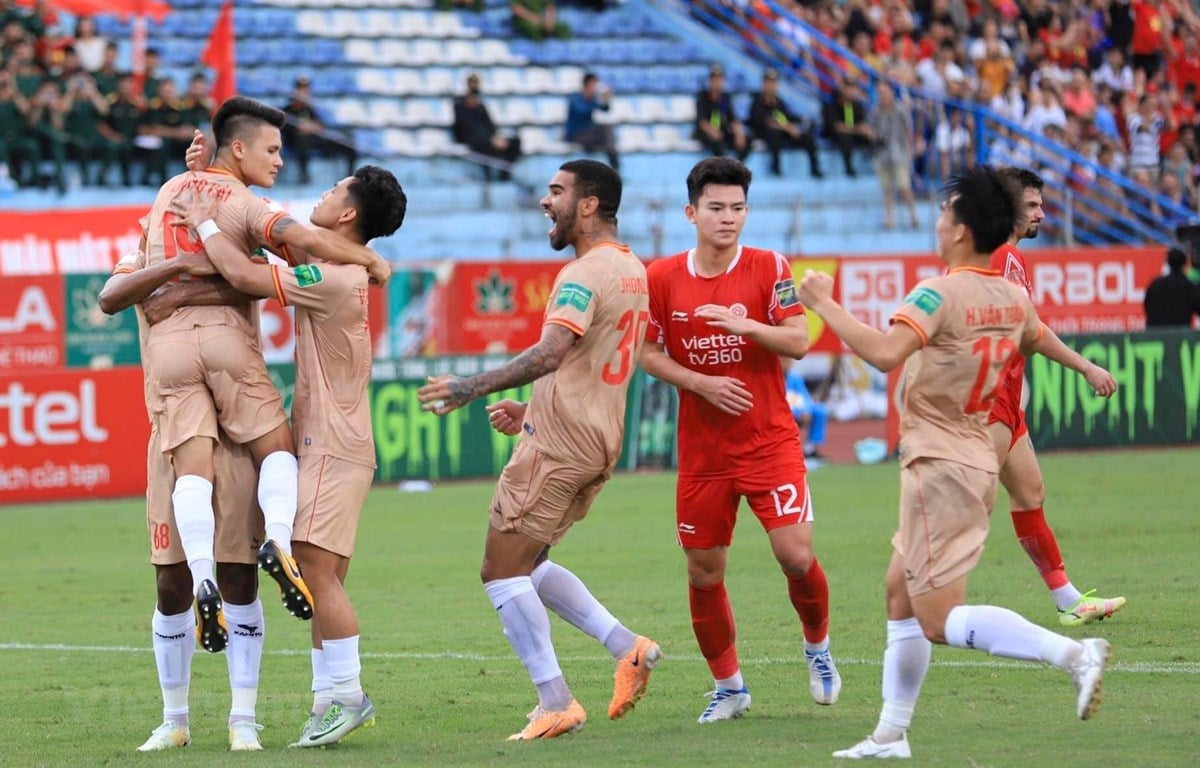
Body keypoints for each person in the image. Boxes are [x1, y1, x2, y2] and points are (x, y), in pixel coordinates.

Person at [795, 167, 1112, 760]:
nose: (937, 224)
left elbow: (887, 354)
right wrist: (1088, 367)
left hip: (939, 462)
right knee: (898, 593)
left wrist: (824, 306)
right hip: (969, 454)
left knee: (938, 618)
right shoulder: (1012, 296)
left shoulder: (938, 292)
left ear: (962, 231)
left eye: (945, 215)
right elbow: (1036, 336)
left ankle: (1072, 655)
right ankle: (891, 733)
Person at [416, 160, 662, 741]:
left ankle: (556, 701)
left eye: (556, 192)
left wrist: (467, 386)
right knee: (530, 563)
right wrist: (535, 409)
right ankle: (628, 648)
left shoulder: (582, 273)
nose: (544, 202)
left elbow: (552, 353)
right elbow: (593, 364)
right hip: (595, 441)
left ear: (588, 205)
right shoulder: (632, 268)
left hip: (559, 447)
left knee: (500, 571)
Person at [141, 98, 391, 656]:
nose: (282, 162)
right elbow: (271, 257)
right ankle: (327, 689)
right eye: (273, 149)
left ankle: (206, 575)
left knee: (195, 469)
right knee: (315, 557)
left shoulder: (170, 195)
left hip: (179, 354)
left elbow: (239, 273)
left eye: (334, 192)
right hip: (299, 408)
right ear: (239, 148)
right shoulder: (259, 212)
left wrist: (185, 259)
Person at [171, 164, 408, 748]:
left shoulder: (333, 277)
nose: (323, 195)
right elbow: (279, 235)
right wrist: (210, 173)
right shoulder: (340, 268)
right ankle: (327, 701)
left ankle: (349, 695)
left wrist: (203, 222)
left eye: (334, 191)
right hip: (338, 440)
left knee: (317, 573)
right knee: (322, 577)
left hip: (330, 442)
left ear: (348, 214)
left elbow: (238, 272)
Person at [639, 157, 840, 724]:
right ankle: (730, 688)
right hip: (703, 455)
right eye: (717, 208)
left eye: (738, 208)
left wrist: (748, 327)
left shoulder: (768, 265)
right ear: (692, 212)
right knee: (704, 573)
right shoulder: (661, 277)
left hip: (768, 441)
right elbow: (648, 354)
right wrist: (701, 381)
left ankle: (818, 648)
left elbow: (799, 341)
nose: (729, 218)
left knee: (795, 556)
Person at [98, 236, 270, 752]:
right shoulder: (146, 250)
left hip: (236, 427)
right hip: (171, 431)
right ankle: (175, 720)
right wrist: (175, 267)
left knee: (239, 575)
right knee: (171, 582)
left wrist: (181, 293)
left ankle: (244, 717)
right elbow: (112, 296)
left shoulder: (233, 246)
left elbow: (252, 281)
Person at [990, 167, 1125, 626]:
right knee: (965, 509)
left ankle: (1068, 601)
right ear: (1007, 208)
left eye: (1041, 205)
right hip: (983, 403)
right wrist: (1086, 365)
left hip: (1004, 400)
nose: (1041, 214)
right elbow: (1030, 334)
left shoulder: (1004, 256)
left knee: (1030, 493)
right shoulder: (1005, 255)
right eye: (1031, 205)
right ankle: (921, 606)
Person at [281, 75, 357, 185]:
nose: (305, 93)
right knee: (302, 141)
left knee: (345, 140)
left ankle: (350, 176)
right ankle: (304, 176)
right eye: (301, 90)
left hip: (313, 139)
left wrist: (308, 127)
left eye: (306, 90)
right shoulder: (287, 110)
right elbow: (292, 129)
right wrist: (305, 128)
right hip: (296, 142)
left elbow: (320, 126)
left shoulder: (310, 109)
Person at [747, 67, 821, 178]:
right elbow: (765, 122)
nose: (771, 85)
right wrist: (787, 127)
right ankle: (776, 168)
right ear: (763, 84)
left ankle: (815, 169)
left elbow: (787, 117)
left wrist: (800, 122)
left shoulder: (779, 102)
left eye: (773, 82)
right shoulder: (757, 101)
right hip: (764, 134)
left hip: (782, 132)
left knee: (807, 137)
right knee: (774, 134)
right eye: (768, 82)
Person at [452, 73, 521, 181]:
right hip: (474, 140)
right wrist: (490, 139)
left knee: (515, 142)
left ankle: (505, 174)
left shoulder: (481, 107)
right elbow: (465, 128)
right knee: (485, 146)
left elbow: (489, 124)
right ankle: (489, 178)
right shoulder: (460, 106)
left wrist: (496, 138)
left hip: (488, 138)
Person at [565, 72, 619, 171]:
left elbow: (605, 109)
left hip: (588, 133)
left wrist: (605, 99)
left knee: (607, 130)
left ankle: (613, 163)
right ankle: (614, 166)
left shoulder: (592, 98)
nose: (596, 87)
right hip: (576, 134)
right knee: (606, 134)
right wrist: (596, 101)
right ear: (587, 84)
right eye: (594, 84)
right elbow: (582, 110)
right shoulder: (576, 98)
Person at [694, 64, 749, 160]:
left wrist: (739, 133)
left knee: (747, 138)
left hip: (722, 131)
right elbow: (701, 122)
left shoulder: (726, 98)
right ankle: (723, 168)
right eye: (714, 79)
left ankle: (737, 165)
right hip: (705, 133)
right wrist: (713, 131)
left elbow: (732, 118)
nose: (717, 82)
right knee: (715, 139)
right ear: (710, 81)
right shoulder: (702, 97)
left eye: (719, 79)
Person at [1144, 246, 1200, 326]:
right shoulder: (1188, 287)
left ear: (1168, 263)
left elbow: (1147, 306)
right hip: (1180, 335)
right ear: (1184, 264)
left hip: (1156, 334)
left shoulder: (1155, 284)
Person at [785, 360, 828, 461]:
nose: (787, 362)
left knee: (819, 411)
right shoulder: (770, 377)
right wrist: (795, 412)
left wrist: (806, 410)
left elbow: (805, 397)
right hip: (782, 412)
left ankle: (810, 449)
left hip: (797, 410)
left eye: (788, 360)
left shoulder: (794, 377)